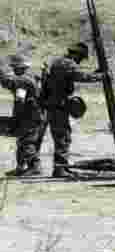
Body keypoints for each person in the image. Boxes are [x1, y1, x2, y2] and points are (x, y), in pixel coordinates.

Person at [42, 42, 106, 178]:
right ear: (76, 54)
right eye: (81, 57)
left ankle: (62, 167)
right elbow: (82, 77)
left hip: (54, 105)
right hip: (58, 105)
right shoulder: (68, 64)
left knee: (61, 137)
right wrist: (101, 76)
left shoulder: (58, 62)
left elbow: (75, 75)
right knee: (63, 138)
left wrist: (96, 74)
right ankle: (60, 169)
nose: (80, 60)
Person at [1, 55, 45, 177]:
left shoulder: (22, 80)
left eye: (15, 68)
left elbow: (19, 97)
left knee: (27, 141)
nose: (14, 70)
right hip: (30, 115)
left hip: (30, 116)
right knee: (22, 141)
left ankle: (35, 167)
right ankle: (21, 167)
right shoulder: (28, 78)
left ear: (20, 68)